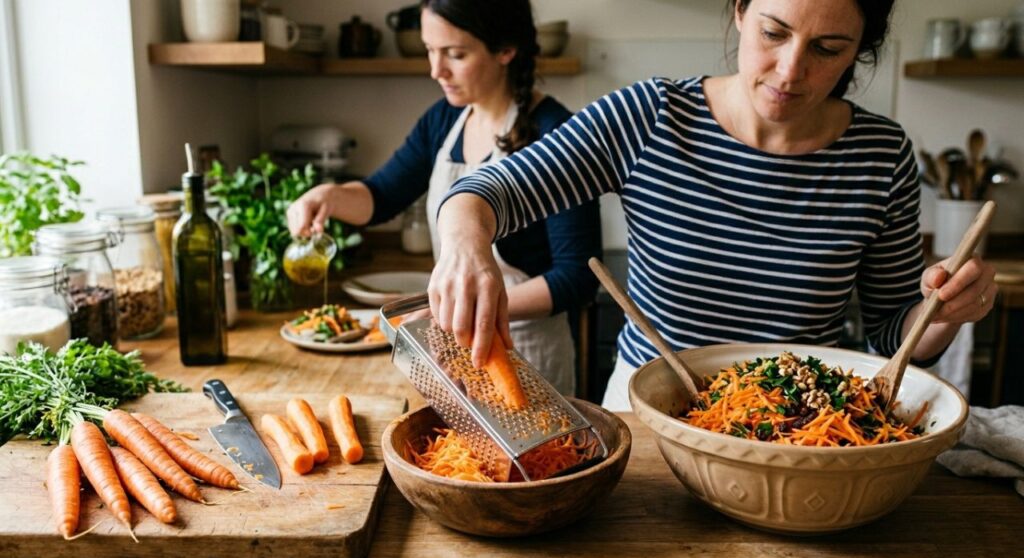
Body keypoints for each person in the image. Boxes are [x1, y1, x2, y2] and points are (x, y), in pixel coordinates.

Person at [426, 0, 998, 411]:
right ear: (740, 12)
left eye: (828, 49)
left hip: (804, 423)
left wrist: (940, 314)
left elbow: (893, 336)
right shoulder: (650, 116)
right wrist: (466, 248)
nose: (791, 71)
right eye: (775, 32)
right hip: (651, 408)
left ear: (860, 51)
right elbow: (480, 193)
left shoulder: (881, 154)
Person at [286, 0, 602, 396]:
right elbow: (380, 196)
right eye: (430, 51)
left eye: (455, 54)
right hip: (455, 346)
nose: (436, 71)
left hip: (530, 351)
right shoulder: (444, 120)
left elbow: (576, 277)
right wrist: (329, 196)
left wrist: (472, 306)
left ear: (506, 50)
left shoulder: (556, 132)